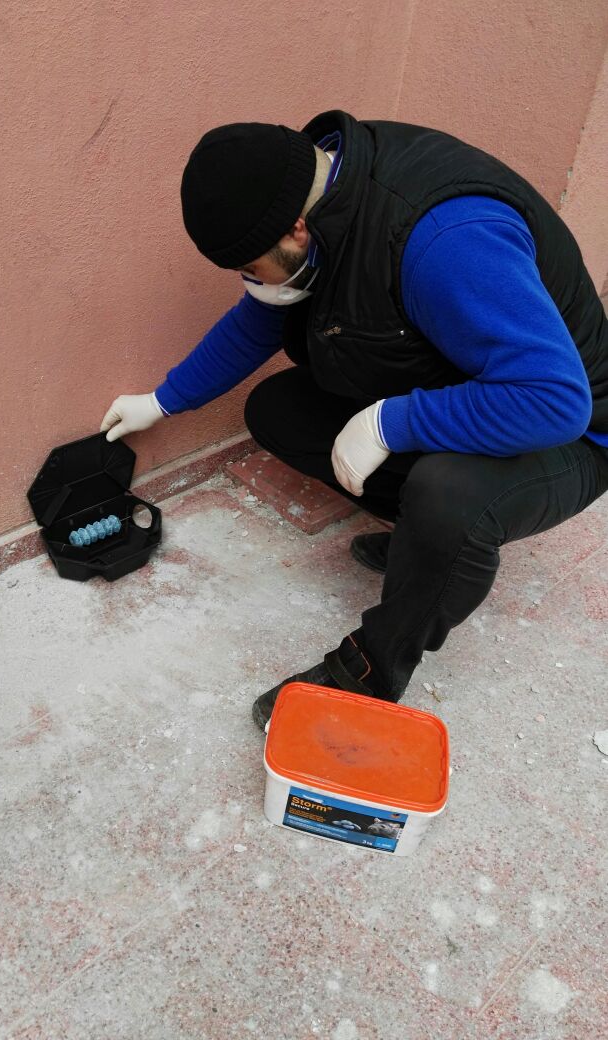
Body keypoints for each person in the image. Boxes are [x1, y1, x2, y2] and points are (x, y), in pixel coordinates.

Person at [101, 110, 608, 731]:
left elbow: (554, 402)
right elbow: (257, 321)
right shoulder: (320, 196)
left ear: (295, 230)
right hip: (479, 387)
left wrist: (393, 424)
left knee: (448, 498)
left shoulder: (445, 240)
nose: (249, 283)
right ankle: (425, 546)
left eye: (251, 269)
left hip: (572, 433)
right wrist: (163, 400)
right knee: (279, 411)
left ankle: (374, 668)